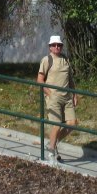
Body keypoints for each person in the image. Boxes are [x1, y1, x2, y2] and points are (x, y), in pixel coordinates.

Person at [36, 34, 78, 162]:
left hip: (67, 97)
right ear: (50, 47)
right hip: (54, 98)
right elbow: (39, 80)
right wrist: (49, 93)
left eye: (59, 45)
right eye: (54, 45)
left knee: (72, 123)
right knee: (57, 124)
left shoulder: (65, 59)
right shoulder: (47, 60)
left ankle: (52, 142)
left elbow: (70, 79)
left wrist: (75, 94)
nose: (57, 47)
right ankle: (51, 153)